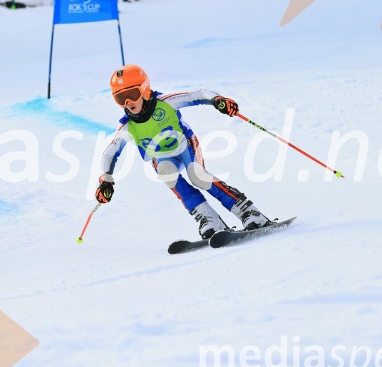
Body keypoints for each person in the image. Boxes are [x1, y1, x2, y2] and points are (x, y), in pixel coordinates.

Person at [95, 64, 272, 239]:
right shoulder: (127, 127)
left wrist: (218, 100)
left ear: (145, 89)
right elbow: (110, 152)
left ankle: (248, 211)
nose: (128, 103)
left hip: (185, 144)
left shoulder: (166, 102)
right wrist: (105, 181)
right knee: (165, 172)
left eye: (131, 95)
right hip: (162, 156)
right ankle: (209, 219)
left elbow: (199, 94)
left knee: (197, 176)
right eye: (120, 99)